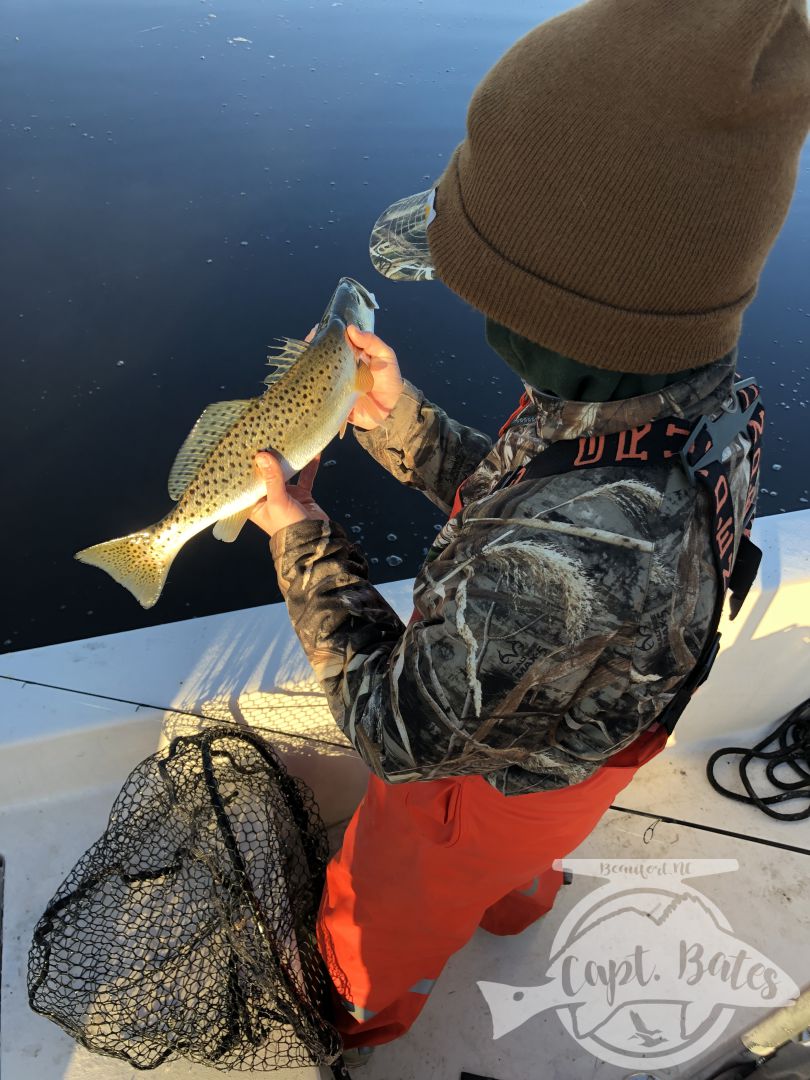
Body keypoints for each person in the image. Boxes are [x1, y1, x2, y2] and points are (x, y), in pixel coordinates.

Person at [248, 0, 810, 1067]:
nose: (465, 301)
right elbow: (532, 500)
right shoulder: (683, 405)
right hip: (581, 760)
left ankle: (366, 1011)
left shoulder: (572, 564)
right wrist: (402, 423)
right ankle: (518, 902)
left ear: (566, 313)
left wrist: (302, 532)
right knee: (524, 856)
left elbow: (398, 730)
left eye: (483, 286)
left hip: (471, 798)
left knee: (385, 907)